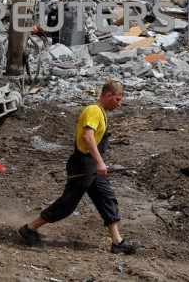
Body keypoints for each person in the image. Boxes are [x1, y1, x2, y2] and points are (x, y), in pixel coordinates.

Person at [18, 80, 140, 254]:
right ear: (108, 95)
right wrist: (99, 161)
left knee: (106, 198)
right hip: (83, 164)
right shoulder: (93, 110)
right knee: (67, 204)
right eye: (117, 100)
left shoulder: (102, 112)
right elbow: (87, 137)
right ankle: (29, 229)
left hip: (91, 165)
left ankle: (117, 242)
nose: (119, 104)